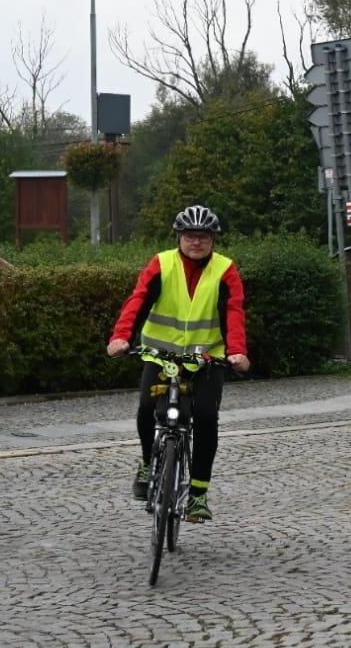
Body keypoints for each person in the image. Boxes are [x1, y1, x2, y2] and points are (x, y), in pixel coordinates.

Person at [106, 205, 250, 523]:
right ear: (179, 237)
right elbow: (138, 300)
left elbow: (233, 311)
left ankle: (197, 495)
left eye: (203, 236)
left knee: (206, 417)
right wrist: (121, 337)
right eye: (189, 235)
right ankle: (147, 463)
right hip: (161, 356)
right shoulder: (162, 263)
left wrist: (237, 352)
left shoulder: (225, 269)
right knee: (147, 409)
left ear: (213, 239)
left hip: (205, 360)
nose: (196, 242)